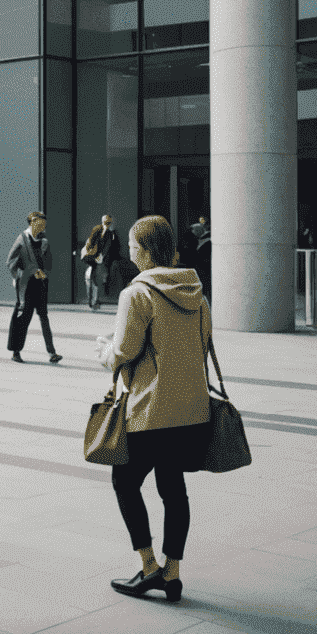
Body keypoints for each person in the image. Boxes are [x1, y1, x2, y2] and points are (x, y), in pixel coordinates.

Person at [95, 215, 213, 604]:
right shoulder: (197, 291)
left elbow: (125, 351)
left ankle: (148, 568)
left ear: (144, 250)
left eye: (131, 245)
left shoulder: (137, 293)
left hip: (150, 409)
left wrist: (102, 351)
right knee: (173, 489)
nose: (128, 252)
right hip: (191, 408)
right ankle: (172, 573)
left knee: (124, 482)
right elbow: (203, 343)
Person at [6, 212, 62, 364]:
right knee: (23, 318)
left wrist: (45, 274)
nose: (44, 227)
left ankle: (52, 353)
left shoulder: (44, 241)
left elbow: (49, 264)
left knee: (44, 317)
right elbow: (10, 262)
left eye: (44, 224)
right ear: (32, 222)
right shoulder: (22, 239)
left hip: (41, 285)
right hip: (26, 285)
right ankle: (16, 352)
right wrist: (24, 274)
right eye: (41, 224)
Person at [189, 215, 211, 298]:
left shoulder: (208, 241)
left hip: (205, 273)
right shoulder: (197, 241)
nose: (193, 232)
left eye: (194, 230)